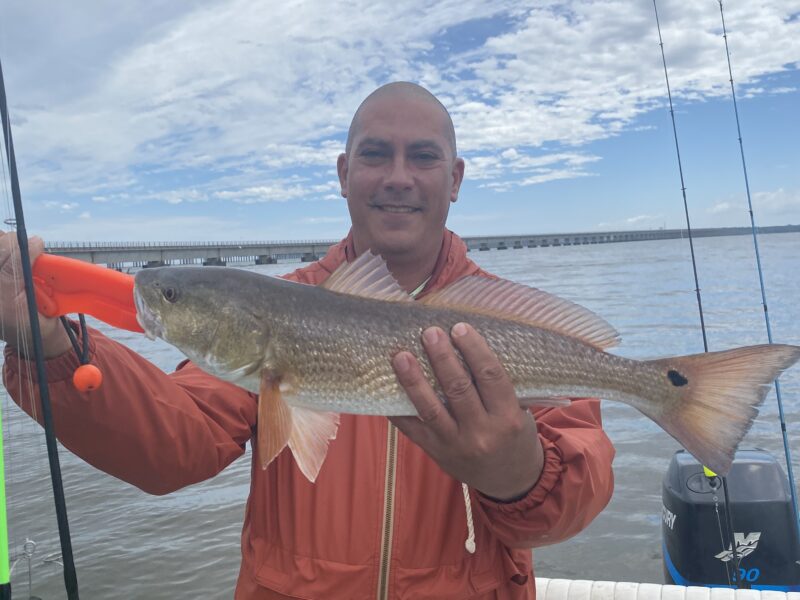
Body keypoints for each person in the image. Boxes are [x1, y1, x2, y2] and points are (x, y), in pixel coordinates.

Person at [0, 82, 615, 599]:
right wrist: (49, 346)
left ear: (454, 179)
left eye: (422, 157)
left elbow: (573, 499)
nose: (398, 177)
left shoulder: (513, 327)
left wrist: (519, 475)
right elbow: (174, 445)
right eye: (376, 154)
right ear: (344, 173)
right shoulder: (274, 305)